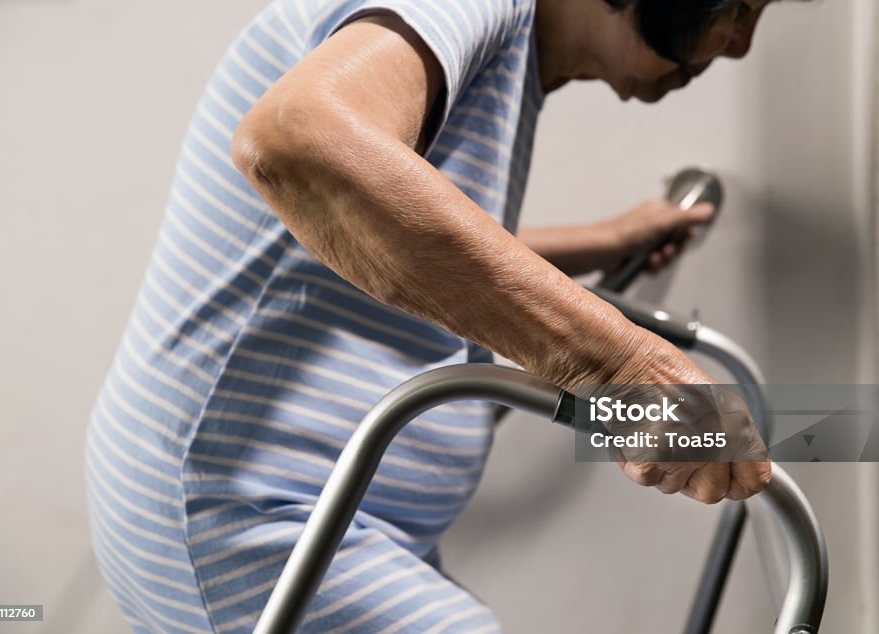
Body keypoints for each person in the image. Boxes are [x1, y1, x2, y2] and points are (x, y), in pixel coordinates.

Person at [85, 0, 776, 631]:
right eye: (739, 5)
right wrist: (619, 364)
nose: (741, 45)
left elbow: (367, 237)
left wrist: (604, 241)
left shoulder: (501, 52)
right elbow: (298, 142)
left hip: (308, 514)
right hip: (246, 515)